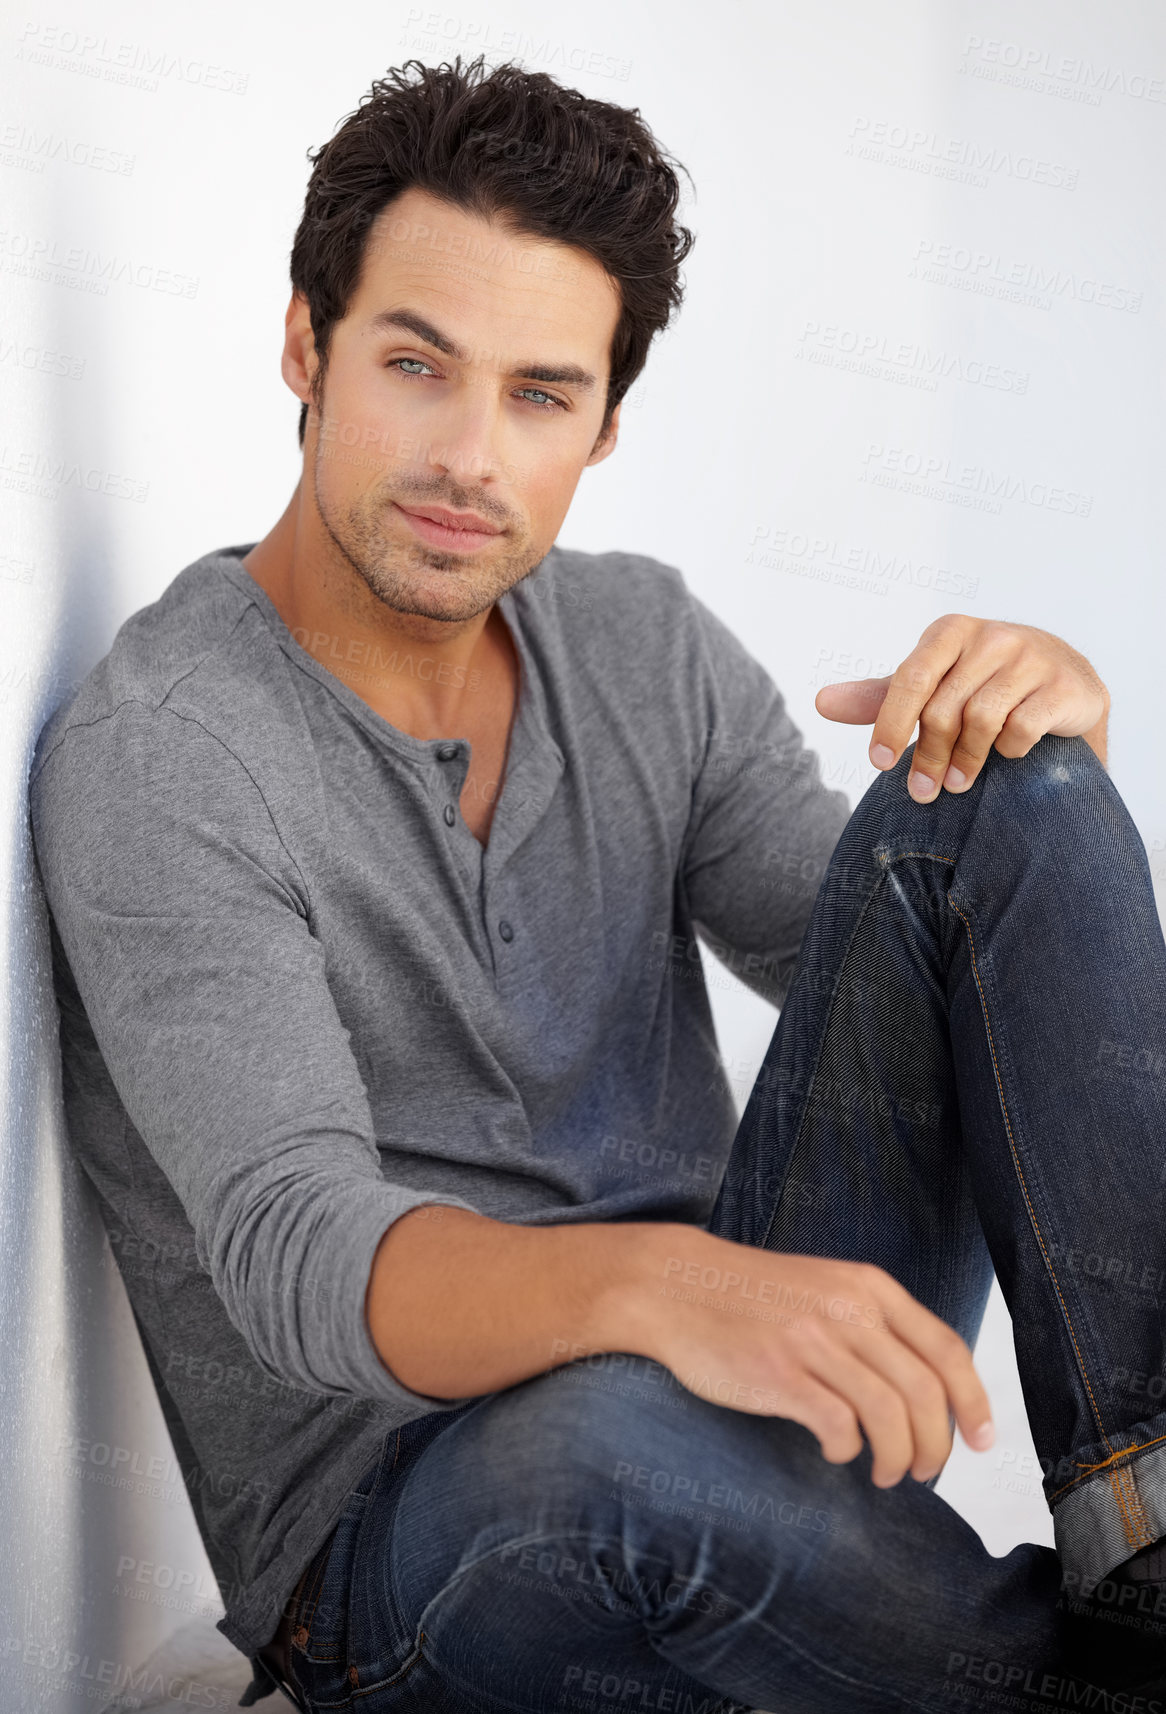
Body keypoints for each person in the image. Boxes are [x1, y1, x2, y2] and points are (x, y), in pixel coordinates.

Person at [27, 54, 1166, 1714]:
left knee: (1016, 790)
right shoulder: (167, 748)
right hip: (414, 1533)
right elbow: (295, 1247)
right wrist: (664, 1286)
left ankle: (1142, 1537)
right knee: (608, 1426)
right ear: (305, 346)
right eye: (417, 365)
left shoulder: (640, 643)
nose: (468, 456)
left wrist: (1029, 710)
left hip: (726, 1378)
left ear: (604, 423)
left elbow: (909, 944)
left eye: (539, 395)